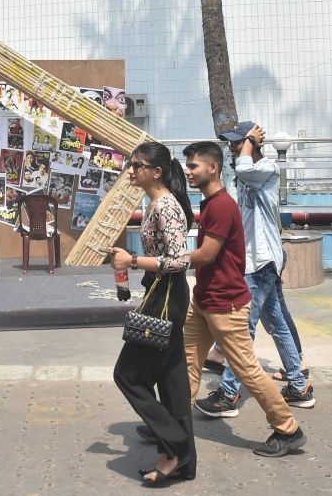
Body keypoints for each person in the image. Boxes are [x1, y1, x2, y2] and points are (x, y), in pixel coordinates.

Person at [181, 140, 306, 457]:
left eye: (193, 165)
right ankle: (173, 423)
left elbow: (207, 255)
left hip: (227, 304)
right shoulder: (210, 203)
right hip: (206, 300)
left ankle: (287, 428)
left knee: (248, 370)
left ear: (212, 167)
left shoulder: (222, 206)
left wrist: (163, 262)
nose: (188, 171)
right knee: (187, 362)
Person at [110, 142, 196, 484]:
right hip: (162, 293)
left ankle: (175, 444)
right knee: (173, 380)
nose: (131, 171)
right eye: (131, 165)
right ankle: (182, 462)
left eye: (137, 165)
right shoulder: (155, 203)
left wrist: (131, 261)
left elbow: (180, 259)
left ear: (155, 172)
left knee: (127, 375)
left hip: (167, 295)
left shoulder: (164, 206)